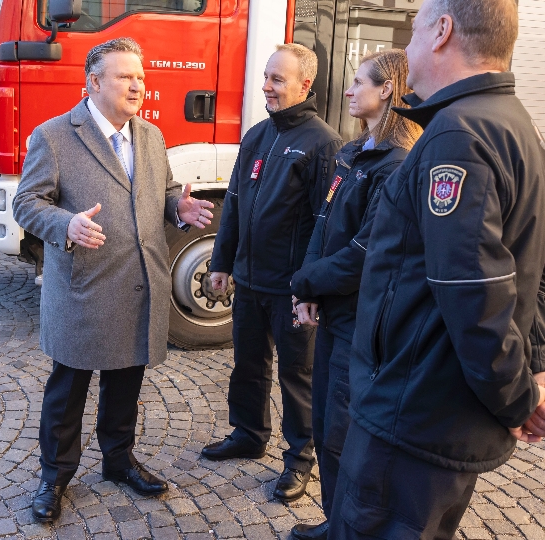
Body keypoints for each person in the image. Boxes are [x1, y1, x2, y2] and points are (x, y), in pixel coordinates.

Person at [328, 0, 545, 537]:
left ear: (443, 30)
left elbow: (474, 291)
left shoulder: (457, 135)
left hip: (413, 414)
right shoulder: (511, 122)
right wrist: (534, 367)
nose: (408, 46)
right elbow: (529, 268)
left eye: (415, 28)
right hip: (434, 415)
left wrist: (518, 397)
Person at [12, 38, 214, 523]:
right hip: (84, 289)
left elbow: (164, 191)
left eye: (140, 77)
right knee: (68, 390)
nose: (137, 85)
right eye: (125, 76)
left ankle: (119, 461)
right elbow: (27, 203)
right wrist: (66, 225)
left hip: (138, 284)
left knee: (126, 381)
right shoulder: (54, 136)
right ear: (94, 82)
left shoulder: (151, 135)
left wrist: (179, 207)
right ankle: (54, 476)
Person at [288, 49, 421, 540]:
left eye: (358, 82)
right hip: (334, 313)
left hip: (362, 326)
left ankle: (349, 529)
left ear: (386, 90)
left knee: (344, 438)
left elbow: (364, 254)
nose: (347, 90)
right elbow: (324, 227)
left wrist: (303, 283)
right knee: (326, 429)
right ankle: (335, 524)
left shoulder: (396, 163)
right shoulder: (352, 151)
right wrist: (309, 286)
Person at [204, 43, 342, 503]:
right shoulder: (257, 135)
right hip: (249, 281)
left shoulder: (323, 144)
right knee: (248, 364)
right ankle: (248, 434)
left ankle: (300, 458)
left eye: (277, 79)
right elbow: (235, 204)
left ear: (305, 85)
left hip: (291, 290)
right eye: (266, 76)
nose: (266, 86)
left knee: (298, 376)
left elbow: (327, 226)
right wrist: (223, 262)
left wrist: (311, 288)